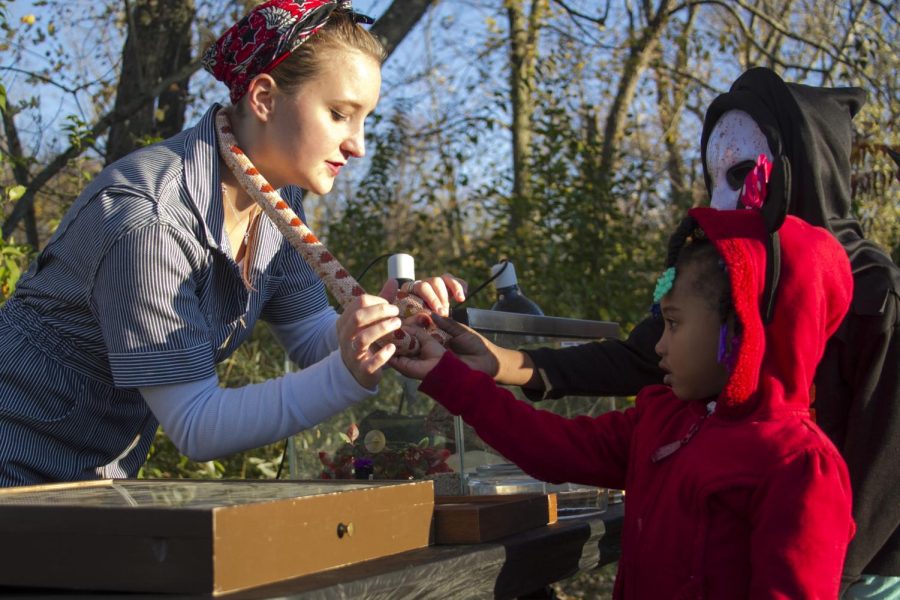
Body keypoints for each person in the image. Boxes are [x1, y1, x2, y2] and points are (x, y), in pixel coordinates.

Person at [441, 67, 900, 596]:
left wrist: (840, 571)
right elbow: (639, 358)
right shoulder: (675, 402)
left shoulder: (876, 297)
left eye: (744, 174)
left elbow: (887, 455)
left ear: (805, 168)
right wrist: (496, 364)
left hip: (863, 566)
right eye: (715, 176)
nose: (724, 198)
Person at [0, 0, 465, 487]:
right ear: (264, 99)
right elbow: (197, 425)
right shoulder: (151, 220)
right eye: (338, 114)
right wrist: (348, 373)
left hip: (84, 484)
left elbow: (311, 339)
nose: (358, 144)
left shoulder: (276, 201)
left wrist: (380, 323)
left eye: (364, 118)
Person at [395, 207, 856, 598]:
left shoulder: (797, 467)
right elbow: (551, 445)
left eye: (673, 324)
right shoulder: (664, 421)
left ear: (740, 330)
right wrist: (447, 374)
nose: (658, 347)